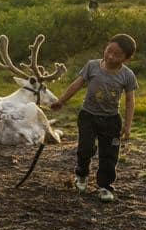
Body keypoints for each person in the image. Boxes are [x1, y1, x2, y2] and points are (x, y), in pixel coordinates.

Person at [50, 34, 138, 202]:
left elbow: (130, 101)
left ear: (126, 59)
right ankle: (81, 174)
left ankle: (105, 186)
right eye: (109, 51)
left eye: (117, 55)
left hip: (111, 120)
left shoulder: (127, 75)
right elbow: (77, 84)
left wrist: (127, 126)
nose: (111, 56)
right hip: (88, 116)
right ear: (106, 47)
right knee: (85, 148)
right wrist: (61, 101)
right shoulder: (92, 66)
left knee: (109, 155)